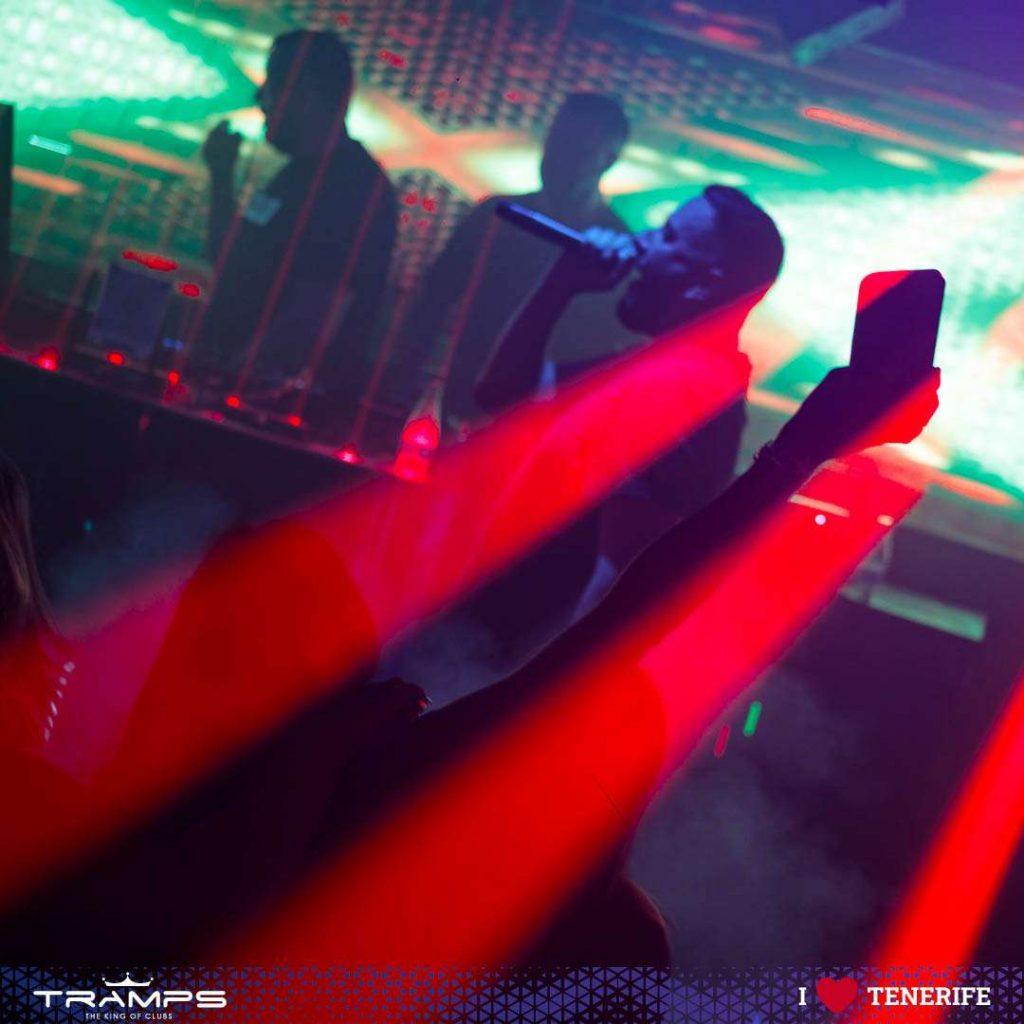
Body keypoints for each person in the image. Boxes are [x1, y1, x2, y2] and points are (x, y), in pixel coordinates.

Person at [458, 186, 784, 666]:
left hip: (518, 672)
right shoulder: (662, 374)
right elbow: (504, 391)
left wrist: (538, 696)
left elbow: (614, 580)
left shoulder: (682, 391)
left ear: (705, 284)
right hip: (493, 655)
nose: (640, 242)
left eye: (667, 236)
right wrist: (560, 284)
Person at [191, 30, 397, 433]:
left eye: (272, 83)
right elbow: (230, 266)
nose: (260, 98)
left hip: (266, 420)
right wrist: (222, 177)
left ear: (307, 95)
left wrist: (234, 391)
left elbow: (312, 316)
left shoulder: (352, 187)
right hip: (243, 407)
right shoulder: (294, 176)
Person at [396, 92, 632, 431]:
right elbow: (432, 301)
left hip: (547, 420)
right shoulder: (495, 216)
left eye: (575, 148)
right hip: (463, 401)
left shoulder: (616, 247)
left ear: (608, 159)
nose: (557, 158)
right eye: (556, 143)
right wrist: (405, 376)